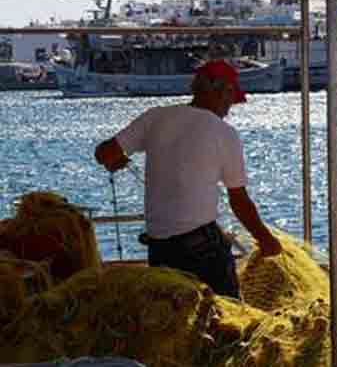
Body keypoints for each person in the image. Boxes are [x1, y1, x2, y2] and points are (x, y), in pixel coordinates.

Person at [94, 59, 282, 298]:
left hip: (159, 250)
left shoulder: (156, 117)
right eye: (230, 98)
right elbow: (239, 201)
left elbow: (103, 153)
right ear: (220, 91)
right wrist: (266, 240)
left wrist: (116, 160)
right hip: (201, 250)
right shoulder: (224, 133)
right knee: (227, 318)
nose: (228, 108)